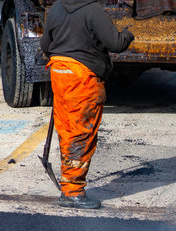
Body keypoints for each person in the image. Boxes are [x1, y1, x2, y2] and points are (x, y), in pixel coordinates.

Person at [40, 0, 134, 209]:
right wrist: (129, 33)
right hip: (82, 77)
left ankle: (68, 182)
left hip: (59, 72)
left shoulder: (56, 8)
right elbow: (117, 43)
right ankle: (72, 191)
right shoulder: (93, 11)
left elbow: (45, 45)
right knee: (81, 132)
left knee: (66, 129)